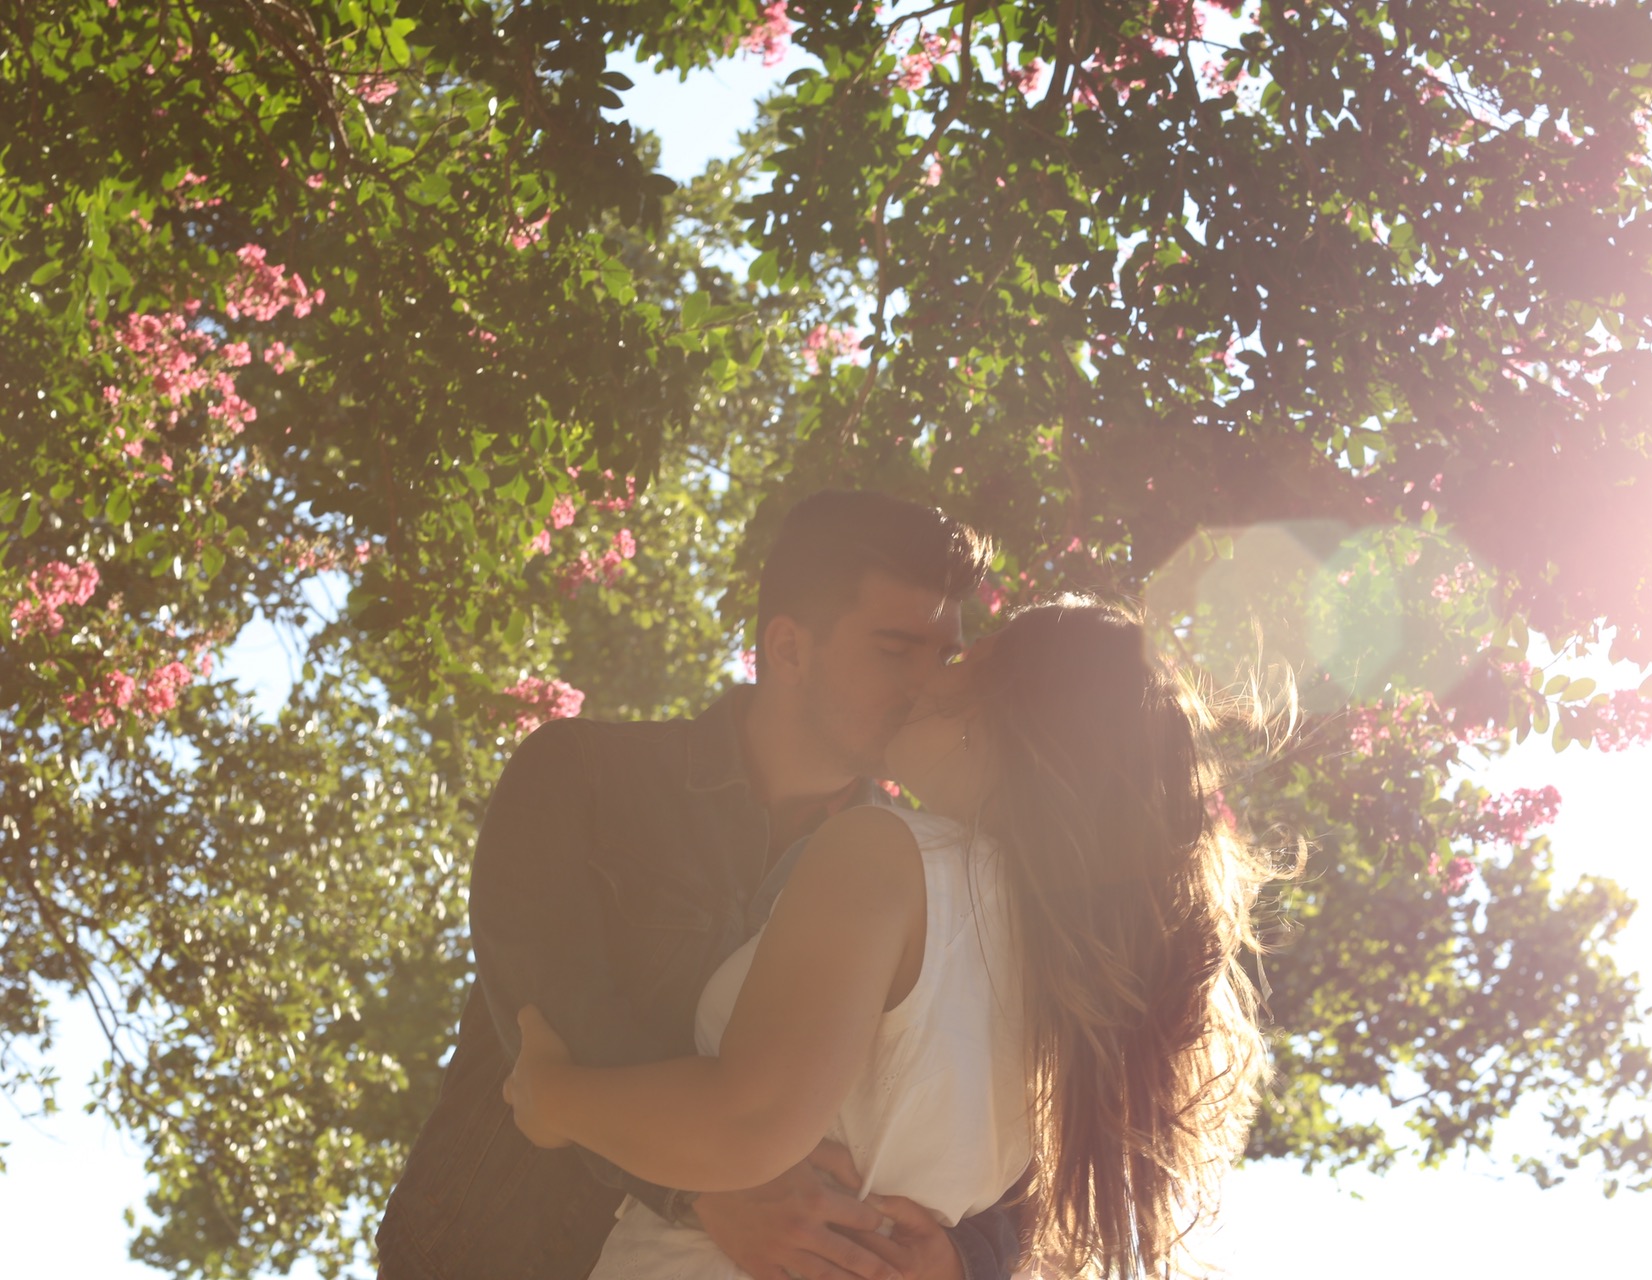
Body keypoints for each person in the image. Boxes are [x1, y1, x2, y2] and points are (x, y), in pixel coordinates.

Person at [503, 598, 1271, 1280]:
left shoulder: (887, 855)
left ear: (1011, 715)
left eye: (959, 666)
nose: (925, 685)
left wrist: (553, 1097)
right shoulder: (1079, 982)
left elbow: (748, 1124)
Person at [375, 490, 1014, 1280]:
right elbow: (555, 1024)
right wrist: (708, 1183)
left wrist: (966, 1258)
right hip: (484, 1255)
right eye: (894, 651)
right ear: (788, 649)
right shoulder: (579, 775)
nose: (927, 686)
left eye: (944, 657)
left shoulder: (929, 878)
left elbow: (1019, 1100)